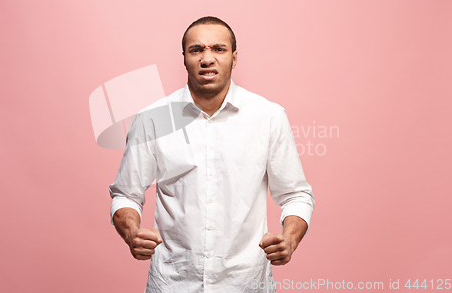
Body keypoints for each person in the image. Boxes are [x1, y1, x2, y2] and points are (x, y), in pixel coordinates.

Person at [109, 16, 315, 292]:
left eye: (218, 49)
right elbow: (125, 194)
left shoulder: (268, 117)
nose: (207, 58)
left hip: (245, 284)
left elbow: (296, 195)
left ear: (234, 57)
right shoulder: (152, 120)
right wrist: (132, 233)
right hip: (173, 284)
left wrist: (289, 240)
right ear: (184, 58)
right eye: (197, 50)